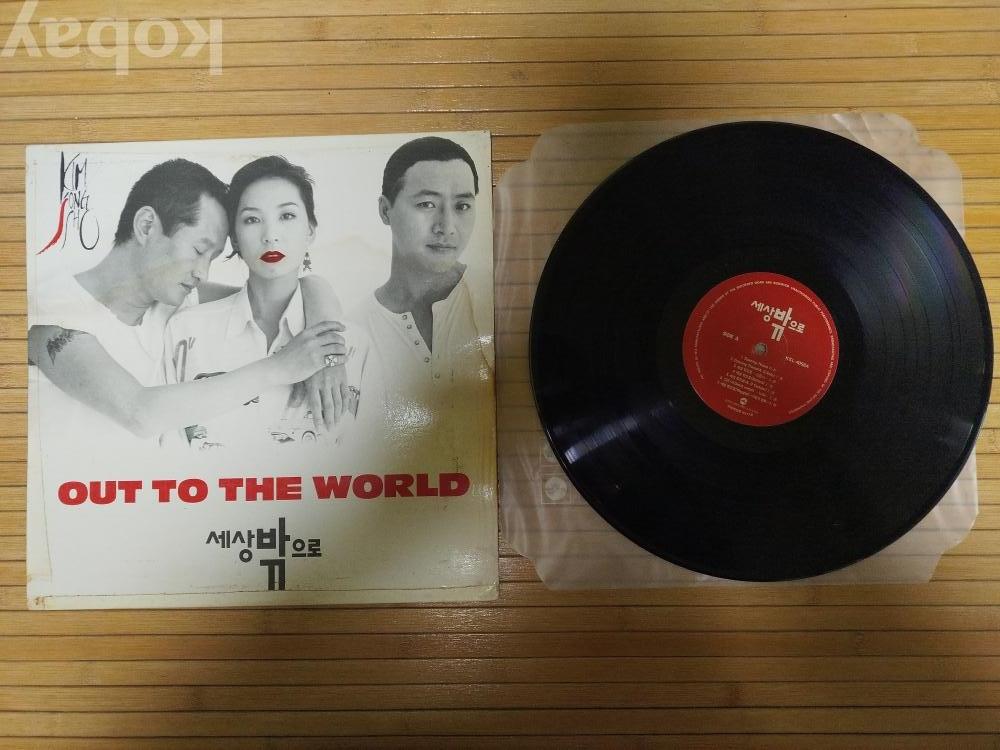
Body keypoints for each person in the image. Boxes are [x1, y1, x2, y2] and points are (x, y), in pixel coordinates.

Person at [27, 158, 347, 454]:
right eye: (198, 250)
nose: (202, 273)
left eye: (212, 258)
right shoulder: (51, 315)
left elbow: (273, 294)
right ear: (146, 226)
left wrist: (327, 349)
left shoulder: (171, 302)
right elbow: (141, 414)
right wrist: (281, 367)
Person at [163, 156, 372, 450]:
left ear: (310, 230)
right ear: (235, 238)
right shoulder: (186, 332)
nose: (270, 235)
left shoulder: (355, 347)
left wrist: (329, 355)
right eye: (252, 219)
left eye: (287, 216)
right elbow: (169, 455)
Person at [352, 136, 494, 464]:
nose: (447, 227)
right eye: (427, 204)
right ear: (385, 210)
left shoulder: (496, 300)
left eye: (462, 206)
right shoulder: (354, 329)